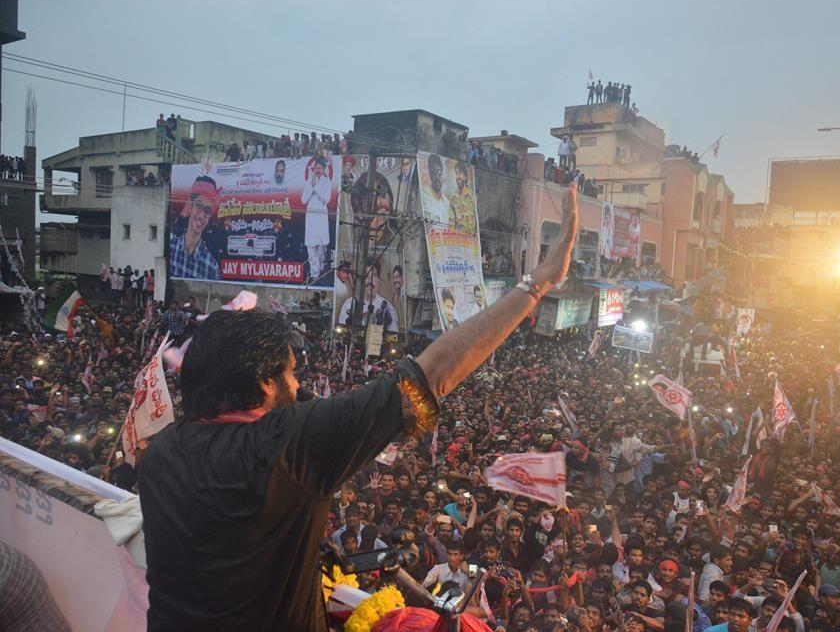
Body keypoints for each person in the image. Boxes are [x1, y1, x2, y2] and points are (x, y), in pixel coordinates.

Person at [137, 184, 579, 631]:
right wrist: (537, 282)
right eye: (290, 373)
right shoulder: (286, 445)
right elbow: (430, 374)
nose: (299, 384)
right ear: (262, 383)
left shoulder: (160, 454)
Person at [168, 176, 222, 281]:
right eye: (198, 205)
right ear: (190, 206)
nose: (201, 216)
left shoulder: (212, 267)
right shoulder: (170, 246)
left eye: (207, 211)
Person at [337, 261, 400, 332]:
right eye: (366, 275)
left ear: (378, 281)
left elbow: (393, 334)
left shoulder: (388, 307)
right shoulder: (348, 305)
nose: (369, 280)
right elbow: (342, 332)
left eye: (374, 275)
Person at [301, 156, 333, 283]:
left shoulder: (327, 182)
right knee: (311, 246)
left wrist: (317, 186)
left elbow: (326, 199)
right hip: (311, 218)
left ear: (324, 169)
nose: (317, 170)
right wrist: (311, 185)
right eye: (316, 168)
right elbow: (303, 200)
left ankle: (320, 268)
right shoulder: (309, 181)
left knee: (322, 246)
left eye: (320, 168)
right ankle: (314, 274)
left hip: (321, 218)